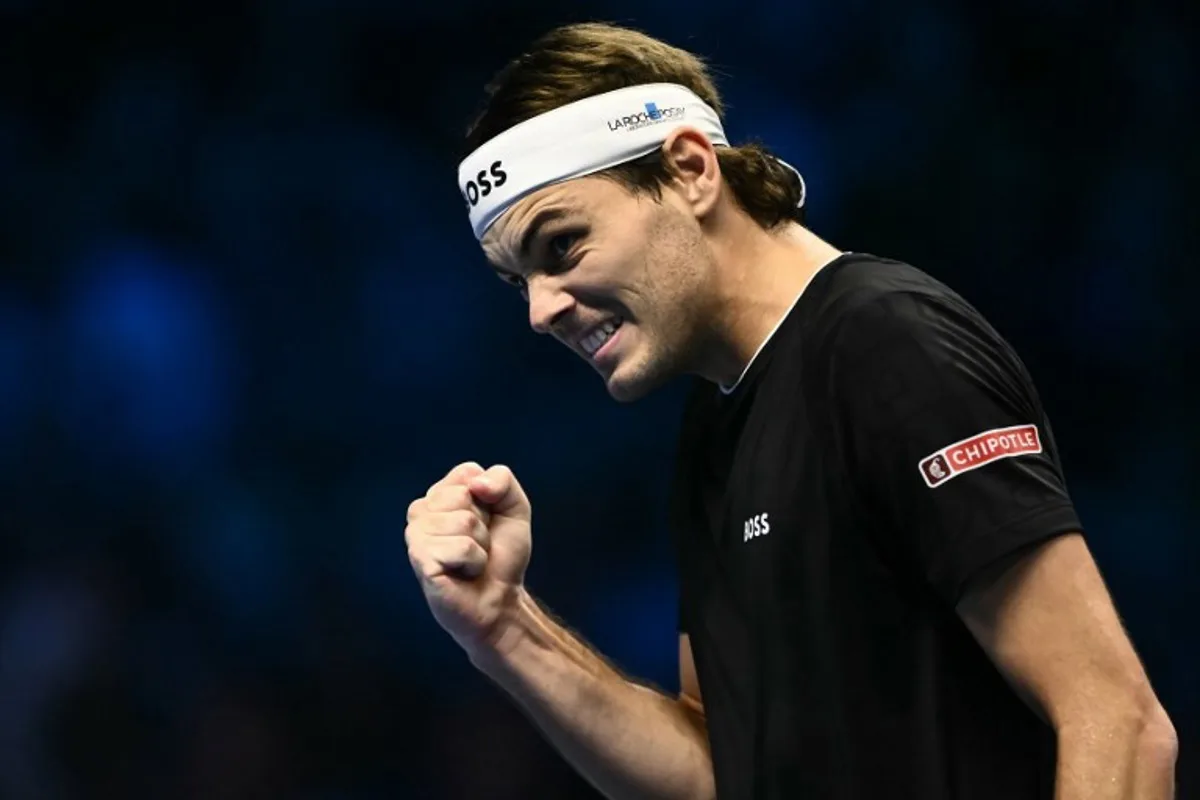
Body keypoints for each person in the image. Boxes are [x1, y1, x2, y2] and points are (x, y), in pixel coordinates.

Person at [404, 21, 1178, 800]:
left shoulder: (885, 346)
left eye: (562, 246)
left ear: (689, 170)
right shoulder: (715, 421)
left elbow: (1117, 718)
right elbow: (722, 773)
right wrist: (503, 626)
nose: (540, 311)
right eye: (518, 281)